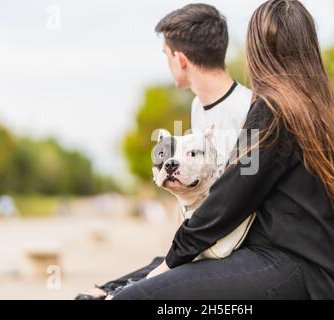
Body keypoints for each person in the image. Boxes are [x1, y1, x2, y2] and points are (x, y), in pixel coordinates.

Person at [110, 0, 334, 300]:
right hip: (315, 272)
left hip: (292, 269)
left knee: (134, 298)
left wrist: (169, 262)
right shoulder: (322, 108)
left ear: (258, 48)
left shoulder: (273, 109)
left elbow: (230, 199)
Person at [75, 3, 252, 300]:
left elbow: (244, 194)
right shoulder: (198, 108)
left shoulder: (248, 108)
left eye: (165, 55)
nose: (166, 63)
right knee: (98, 292)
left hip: (234, 252)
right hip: (204, 244)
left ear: (180, 59)